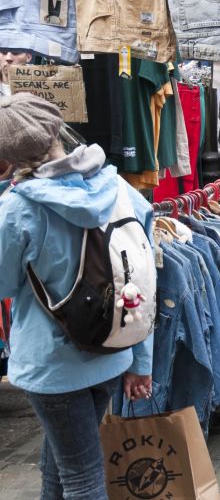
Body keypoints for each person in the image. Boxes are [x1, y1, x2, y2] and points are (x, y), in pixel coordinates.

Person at [0, 93, 154, 500]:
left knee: (82, 476)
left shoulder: (18, 209)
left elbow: (2, 284)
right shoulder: (118, 186)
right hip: (112, 349)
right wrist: (141, 360)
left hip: (53, 363)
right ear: (57, 131)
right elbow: (143, 275)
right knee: (60, 463)